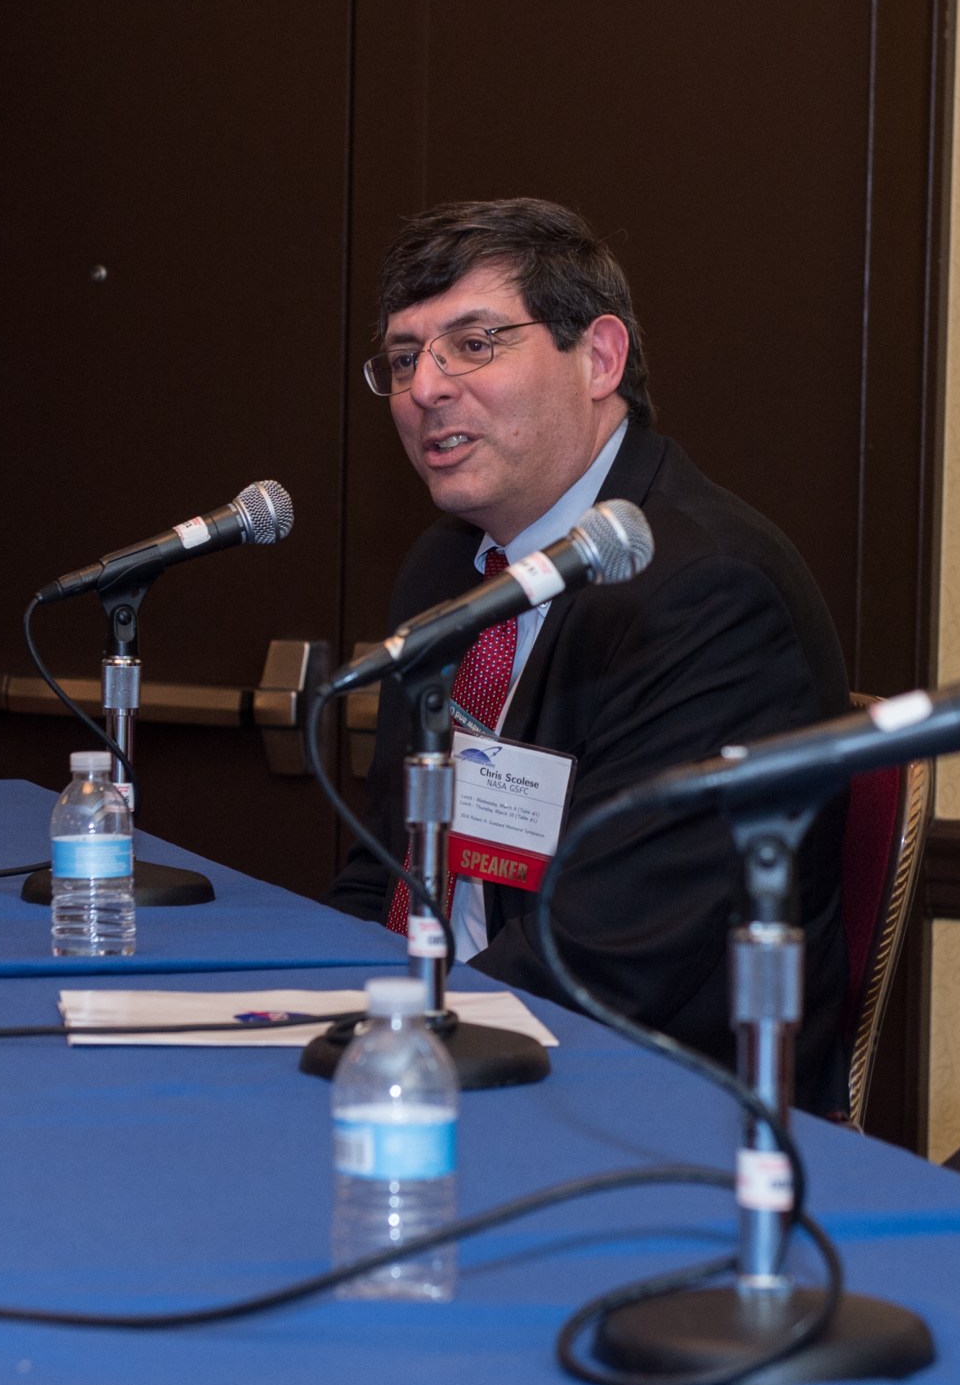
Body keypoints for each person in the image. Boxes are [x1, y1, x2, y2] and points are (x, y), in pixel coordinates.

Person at [327, 198, 852, 1114]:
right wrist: (294, 1009)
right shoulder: (447, 570)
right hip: (454, 1052)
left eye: (474, 344)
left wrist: (385, 1041)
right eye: (405, 359)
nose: (426, 389)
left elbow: (612, 953)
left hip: (643, 1113)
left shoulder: (706, 590)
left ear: (599, 358)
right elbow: (389, 869)